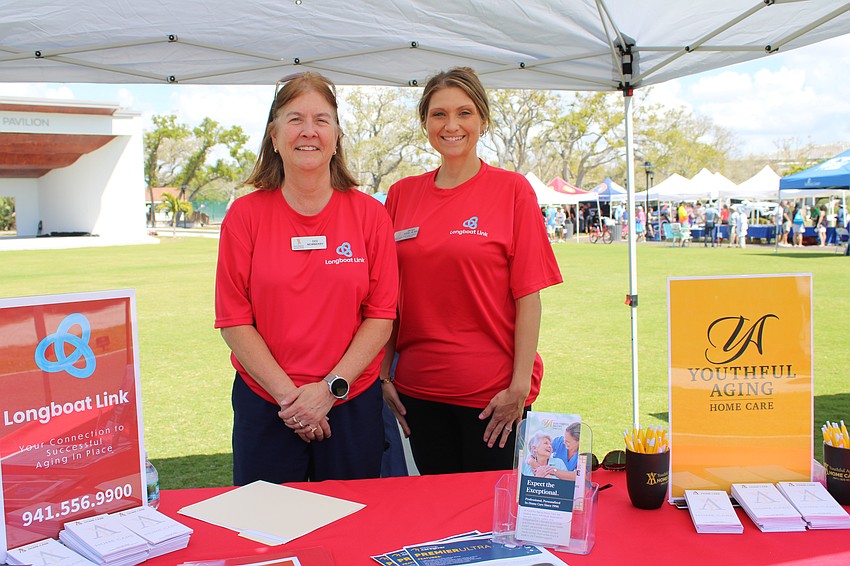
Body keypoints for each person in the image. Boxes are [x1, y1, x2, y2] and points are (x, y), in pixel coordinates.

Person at [215, 72, 399, 485]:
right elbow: (233, 320)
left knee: (352, 529)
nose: (309, 131)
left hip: (349, 401)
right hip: (268, 404)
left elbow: (381, 316)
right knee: (265, 534)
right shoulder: (245, 217)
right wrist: (292, 400)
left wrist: (328, 391)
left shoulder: (370, 216)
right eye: (295, 119)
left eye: (322, 119)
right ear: (274, 136)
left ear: (337, 135)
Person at [382, 67, 563, 475]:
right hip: (418, 393)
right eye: (438, 114)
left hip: (492, 399)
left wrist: (519, 388)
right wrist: (382, 375)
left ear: (482, 119)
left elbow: (528, 298)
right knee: (438, 520)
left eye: (464, 113)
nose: (451, 125)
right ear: (425, 122)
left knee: (490, 518)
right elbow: (387, 298)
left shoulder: (512, 190)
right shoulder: (401, 195)